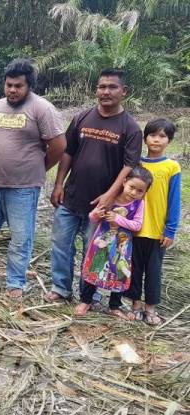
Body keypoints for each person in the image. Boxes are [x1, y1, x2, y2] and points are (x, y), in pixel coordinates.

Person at [0, 58, 66, 299]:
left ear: (29, 86)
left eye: (18, 86)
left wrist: (39, 166)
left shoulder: (42, 109)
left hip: (24, 189)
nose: (12, 90)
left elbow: (59, 145)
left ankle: (15, 283)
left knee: (20, 238)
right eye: (8, 85)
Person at [47, 69, 142, 302]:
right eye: (102, 87)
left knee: (96, 248)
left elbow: (129, 167)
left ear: (124, 91)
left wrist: (110, 196)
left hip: (102, 204)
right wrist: (59, 183)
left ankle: (90, 295)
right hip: (71, 196)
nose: (106, 92)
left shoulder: (130, 128)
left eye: (112, 87)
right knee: (61, 244)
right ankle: (61, 288)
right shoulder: (82, 117)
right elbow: (68, 152)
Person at [75, 167, 153, 319]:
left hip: (122, 246)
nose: (134, 193)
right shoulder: (110, 199)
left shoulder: (139, 205)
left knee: (119, 271)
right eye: (132, 187)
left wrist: (118, 219)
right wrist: (96, 214)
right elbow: (92, 218)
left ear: (145, 192)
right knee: (95, 267)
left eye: (140, 191)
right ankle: (86, 300)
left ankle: (114, 306)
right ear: (124, 182)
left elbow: (137, 225)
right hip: (101, 242)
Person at [126, 119, 182, 325]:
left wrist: (170, 230)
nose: (156, 140)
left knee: (153, 271)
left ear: (169, 140)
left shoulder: (172, 167)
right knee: (133, 268)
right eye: (152, 135)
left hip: (157, 230)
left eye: (162, 136)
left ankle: (151, 308)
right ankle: (135, 304)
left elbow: (174, 200)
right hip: (133, 229)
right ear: (145, 138)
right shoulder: (136, 164)